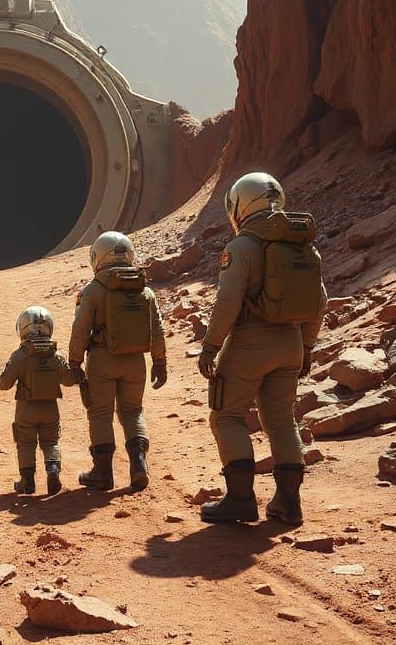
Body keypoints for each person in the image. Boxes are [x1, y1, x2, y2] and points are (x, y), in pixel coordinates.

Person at [197, 172, 327, 526]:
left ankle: (240, 499)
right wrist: (307, 347)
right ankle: (289, 503)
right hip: (291, 344)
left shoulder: (242, 247)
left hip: (251, 343)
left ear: (241, 205)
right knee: (282, 420)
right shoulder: (304, 245)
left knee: (226, 416)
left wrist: (210, 347)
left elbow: (227, 303)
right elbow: (320, 302)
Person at [69, 232, 167, 492]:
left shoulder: (92, 291)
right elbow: (156, 327)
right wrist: (160, 361)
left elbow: (80, 329)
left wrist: (74, 362)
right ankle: (139, 464)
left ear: (98, 257)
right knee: (133, 412)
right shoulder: (144, 290)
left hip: (102, 360)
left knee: (100, 414)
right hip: (135, 361)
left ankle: (102, 473)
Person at [0, 306, 83, 495]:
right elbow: (69, 380)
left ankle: (27, 480)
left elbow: (5, 383)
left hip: (26, 408)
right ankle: (53, 469)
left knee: (26, 443)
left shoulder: (19, 356)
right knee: (51, 441)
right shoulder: (57, 355)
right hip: (50, 408)